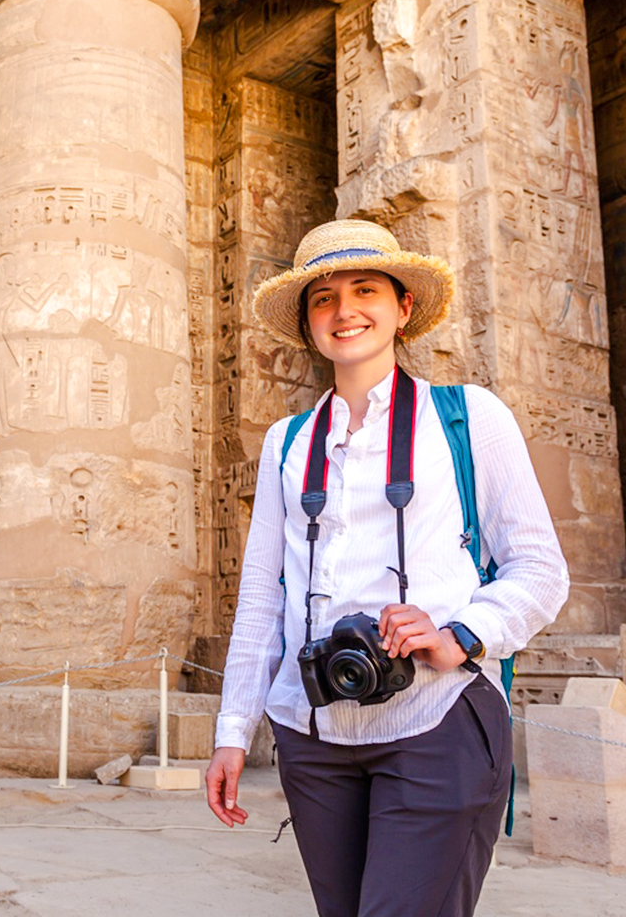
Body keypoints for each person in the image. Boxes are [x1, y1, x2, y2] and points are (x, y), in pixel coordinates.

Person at [204, 219, 569, 917]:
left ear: (403, 309)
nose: (345, 311)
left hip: (438, 716)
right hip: (314, 733)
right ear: (309, 322)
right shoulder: (288, 442)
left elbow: (540, 569)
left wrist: (460, 633)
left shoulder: (469, 418)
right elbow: (261, 599)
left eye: (365, 289)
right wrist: (232, 731)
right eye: (324, 298)